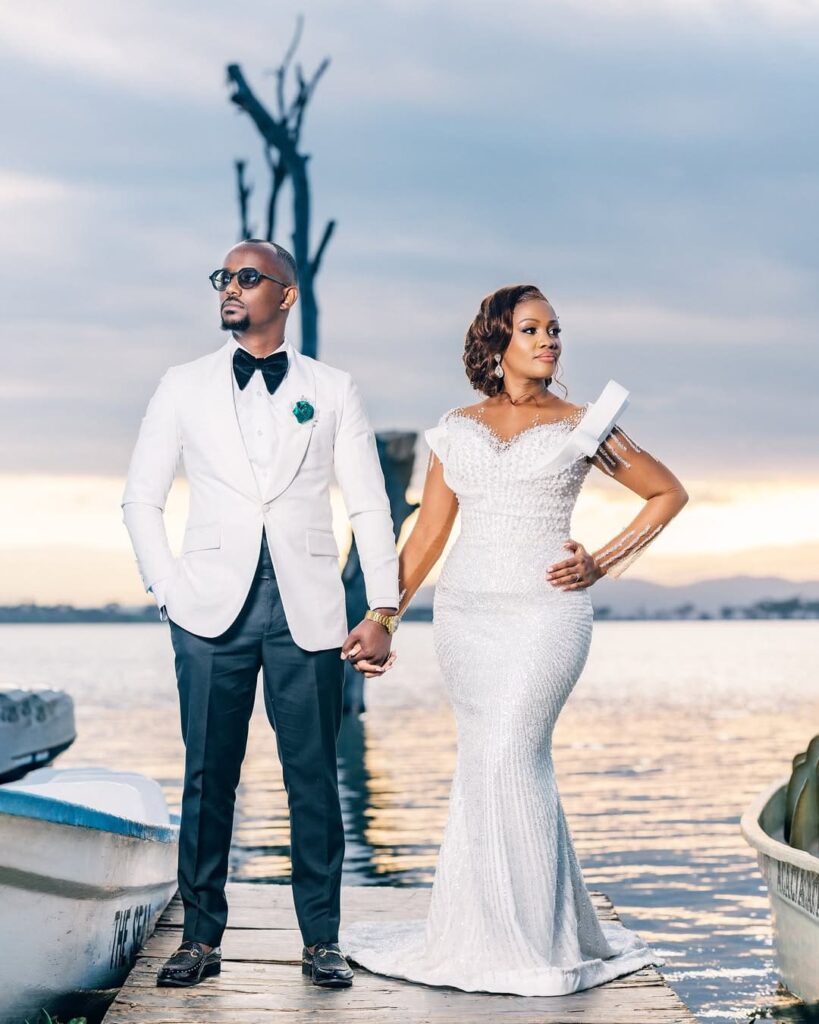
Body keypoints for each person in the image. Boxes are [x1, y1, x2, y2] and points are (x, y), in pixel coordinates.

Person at [341, 284, 688, 995]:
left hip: (546, 615)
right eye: (531, 329)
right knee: (487, 761)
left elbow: (666, 493)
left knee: (511, 751)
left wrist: (601, 562)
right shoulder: (455, 428)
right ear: (497, 341)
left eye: (554, 329)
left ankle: (534, 947)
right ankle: (493, 932)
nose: (548, 339)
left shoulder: (586, 425)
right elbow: (427, 536)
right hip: (466, 617)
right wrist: (384, 617)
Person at [121, 239, 400, 989]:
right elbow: (141, 499)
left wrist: (383, 608)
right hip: (207, 608)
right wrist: (169, 590)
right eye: (224, 277)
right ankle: (199, 939)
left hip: (309, 608)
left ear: (286, 295)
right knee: (207, 776)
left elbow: (369, 504)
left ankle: (321, 941)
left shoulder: (333, 389)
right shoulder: (181, 385)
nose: (231, 287)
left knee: (313, 779)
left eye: (248, 277)